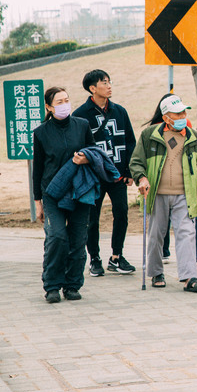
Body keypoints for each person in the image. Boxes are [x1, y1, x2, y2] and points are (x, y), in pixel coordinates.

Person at [130, 94, 197, 293]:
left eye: (184, 112)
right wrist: (142, 178)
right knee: (156, 235)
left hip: (185, 194)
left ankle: (189, 277)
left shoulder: (194, 137)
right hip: (157, 193)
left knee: (187, 234)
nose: (183, 116)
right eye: (177, 113)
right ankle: (156, 272)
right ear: (166, 117)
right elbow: (136, 161)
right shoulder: (150, 135)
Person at [32, 86, 96, 303]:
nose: (64, 105)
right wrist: (38, 201)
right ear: (49, 107)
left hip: (79, 191)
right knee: (57, 236)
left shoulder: (82, 125)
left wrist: (86, 158)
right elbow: (38, 169)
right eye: (59, 102)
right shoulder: (41, 132)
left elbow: (94, 152)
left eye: (66, 100)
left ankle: (72, 285)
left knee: (78, 240)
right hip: (52, 193)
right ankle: (52, 285)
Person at [72, 69, 138, 277]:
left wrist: (128, 171)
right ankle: (95, 258)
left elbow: (130, 142)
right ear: (92, 88)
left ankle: (117, 256)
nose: (109, 86)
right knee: (92, 219)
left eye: (110, 82)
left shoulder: (120, 111)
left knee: (122, 213)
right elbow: (76, 148)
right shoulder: (80, 115)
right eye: (104, 83)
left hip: (117, 175)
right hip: (93, 177)